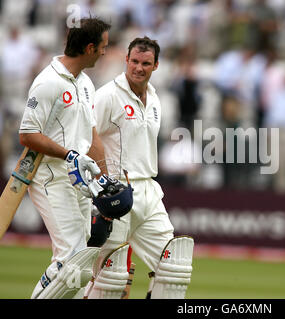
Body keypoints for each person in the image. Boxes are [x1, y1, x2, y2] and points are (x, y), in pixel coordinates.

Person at [84, 36, 194, 299]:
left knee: (173, 267)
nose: (138, 68)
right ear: (126, 60)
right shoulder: (108, 96)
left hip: (149, 192)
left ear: (156, 65)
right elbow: (85, 135)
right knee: (109, 278)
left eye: (145, 63)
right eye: (134, 61)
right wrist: (101, 182)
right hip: (116, 192)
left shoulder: (157, 99)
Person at [18, 17, 111, 299]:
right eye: (104, 46)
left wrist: (104, 178)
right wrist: (68, 153)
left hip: (78, 182)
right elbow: (27, 134)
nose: (106, 52)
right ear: (90, 47)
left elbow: (91, 135)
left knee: (80, 267)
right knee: (71, 261)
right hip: (50, 178)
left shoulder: (85, 83)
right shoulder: (48, 82)